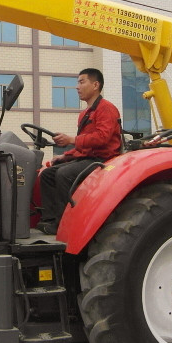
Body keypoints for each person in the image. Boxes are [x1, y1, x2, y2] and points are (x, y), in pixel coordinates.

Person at [37, 69, 122, 235]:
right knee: (47, 174)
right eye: (78, 82)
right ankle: (49, 220)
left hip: (103, 159)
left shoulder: (106, 108)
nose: (77, 87)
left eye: (82, 82)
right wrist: (65, 155)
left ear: (95, 85)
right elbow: (84, 145)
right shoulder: (85, 113)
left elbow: (102, 138)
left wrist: (71, 140)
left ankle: (65, 225)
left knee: (63, 174)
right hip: (87, 158)